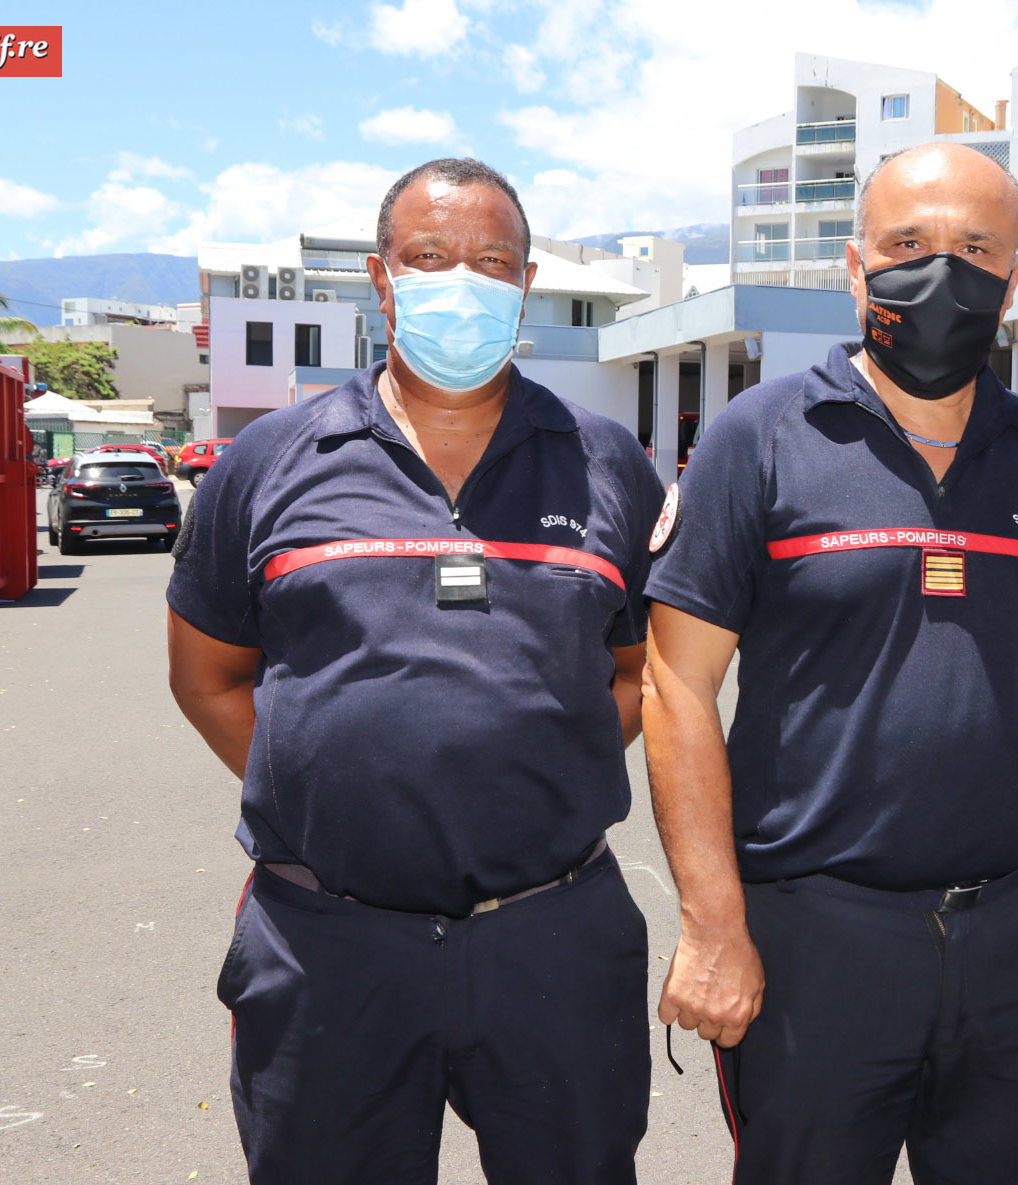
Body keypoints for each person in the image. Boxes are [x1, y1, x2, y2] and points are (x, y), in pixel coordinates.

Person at [165, 158, 661, 1185]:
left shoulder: (607, 463)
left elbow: (638, 670)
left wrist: (540, 755)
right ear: (381, 279)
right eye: (430, 258)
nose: (462, 284)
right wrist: (328, 790)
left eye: (492, 262)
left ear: (526, 285)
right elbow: (208, 677)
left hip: (555, 940)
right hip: (325, 944)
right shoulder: (269, 460)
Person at [641, 141, 1018, 1185]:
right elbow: (675, 684)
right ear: (856, 270)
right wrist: (715, 924)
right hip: (818, 941)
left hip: (1014, 937)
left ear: (1016, 276)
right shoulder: (757, 438)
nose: (940, 271)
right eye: (908, 245)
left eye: (975, 247)